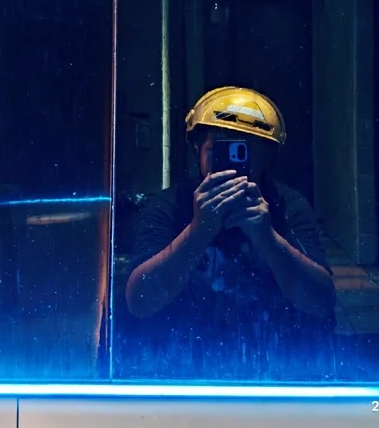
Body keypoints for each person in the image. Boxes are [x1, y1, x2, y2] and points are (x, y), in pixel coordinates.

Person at [124, 87, 337, 380]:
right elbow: (139, 302)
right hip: (186, 368)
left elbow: (322, 302)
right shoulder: (171, 206)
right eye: (219, 149)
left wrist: (268, 239)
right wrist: (198, 231)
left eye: (245, 150)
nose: (232, 161)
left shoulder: (285, 205)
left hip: (273, 367)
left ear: (266, 156)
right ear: (198, 150)